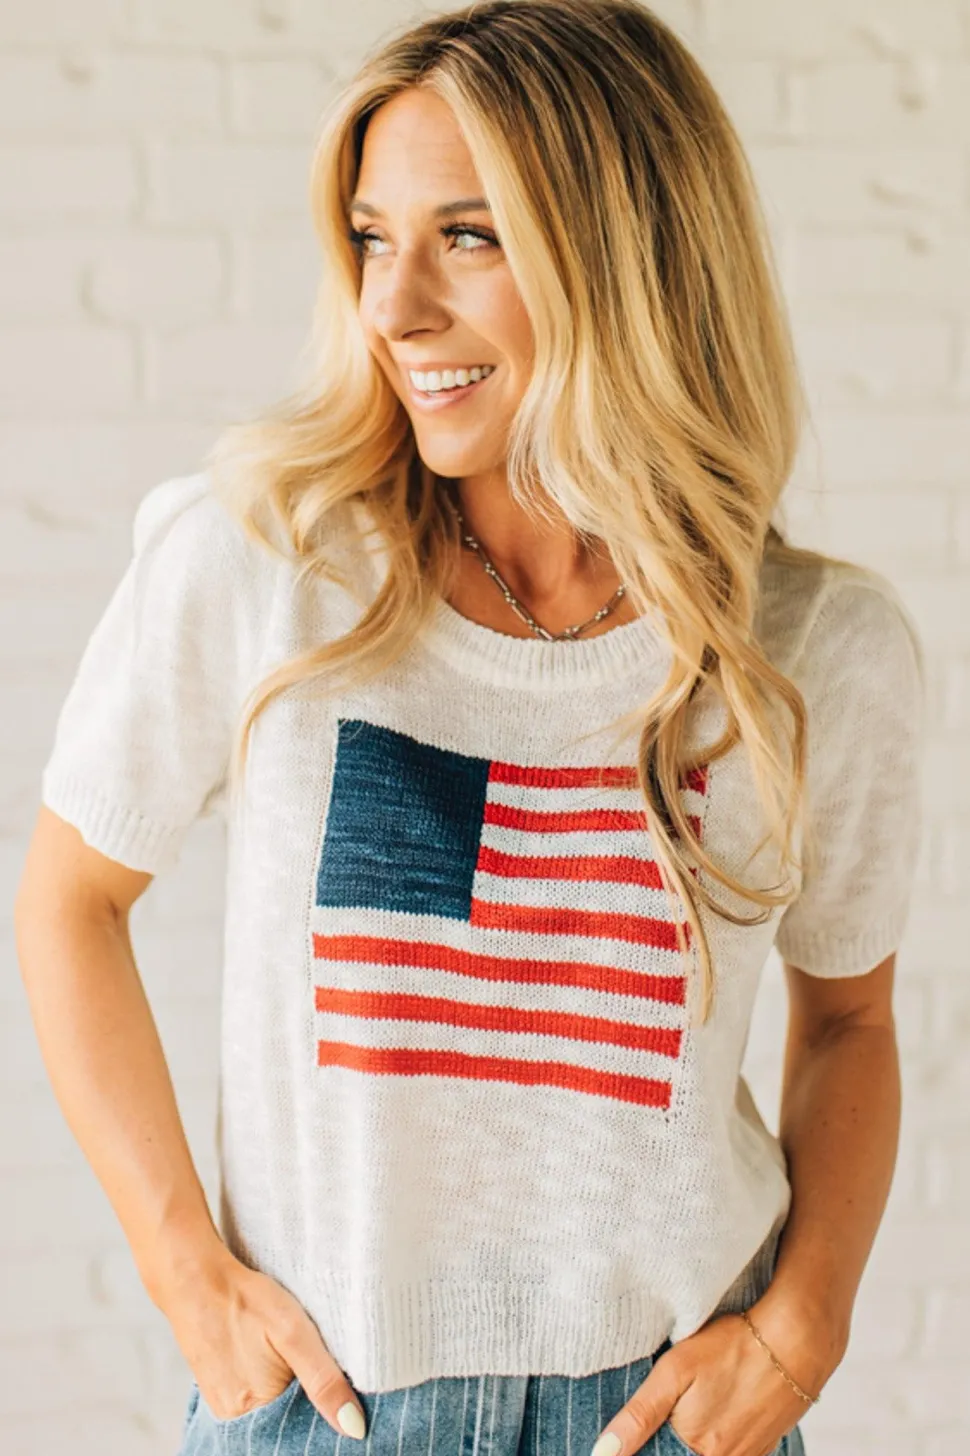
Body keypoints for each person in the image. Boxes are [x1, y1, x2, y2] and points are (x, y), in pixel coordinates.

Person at [14, 2, 925, 1454]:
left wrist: (805, 1326)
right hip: (330, 1412)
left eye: (469, 237)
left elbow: (852, 1021)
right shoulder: (259, 566)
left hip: (667, 1413)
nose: (393, 307)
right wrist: (187, 1278)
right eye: (373, 239)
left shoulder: (814, 651)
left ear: (626, 258)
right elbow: (70, 898)